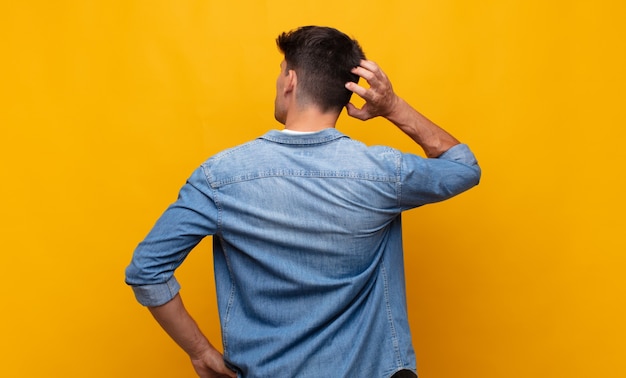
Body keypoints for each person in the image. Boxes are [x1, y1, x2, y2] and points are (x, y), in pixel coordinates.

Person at [125, 25, 480, 378]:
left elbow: (147, 271)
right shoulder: (384, 172)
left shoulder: (219, 178)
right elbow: (463, 167)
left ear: (291, 81)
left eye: (280, 73)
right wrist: (393, 106)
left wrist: (201, 352)